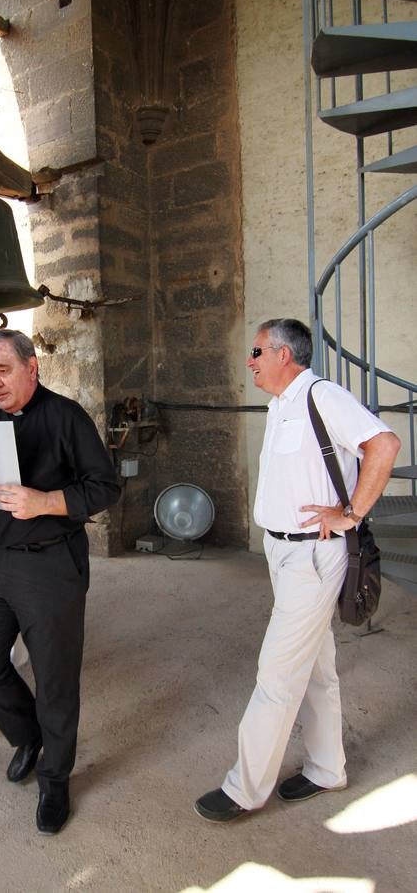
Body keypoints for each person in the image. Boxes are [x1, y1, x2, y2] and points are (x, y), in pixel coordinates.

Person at [195, 318, 400, 822]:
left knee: (277, 673)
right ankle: (327, 769)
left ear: (284, 354)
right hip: (282, 553)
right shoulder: (280, 405)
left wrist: (351, 513)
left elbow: (385, 445)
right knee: (315, 667)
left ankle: (245, 788)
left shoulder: (322, 397)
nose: (251, 361)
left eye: (258, 351)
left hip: (312, 556)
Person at [0, 329, 120, 835]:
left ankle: (55, 778)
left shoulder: (66, 417)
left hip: (49, 567)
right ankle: (28, 736)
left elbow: (104, 487)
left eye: (3, 370)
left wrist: (45, 501)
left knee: (54, 681)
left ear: (33, 368)